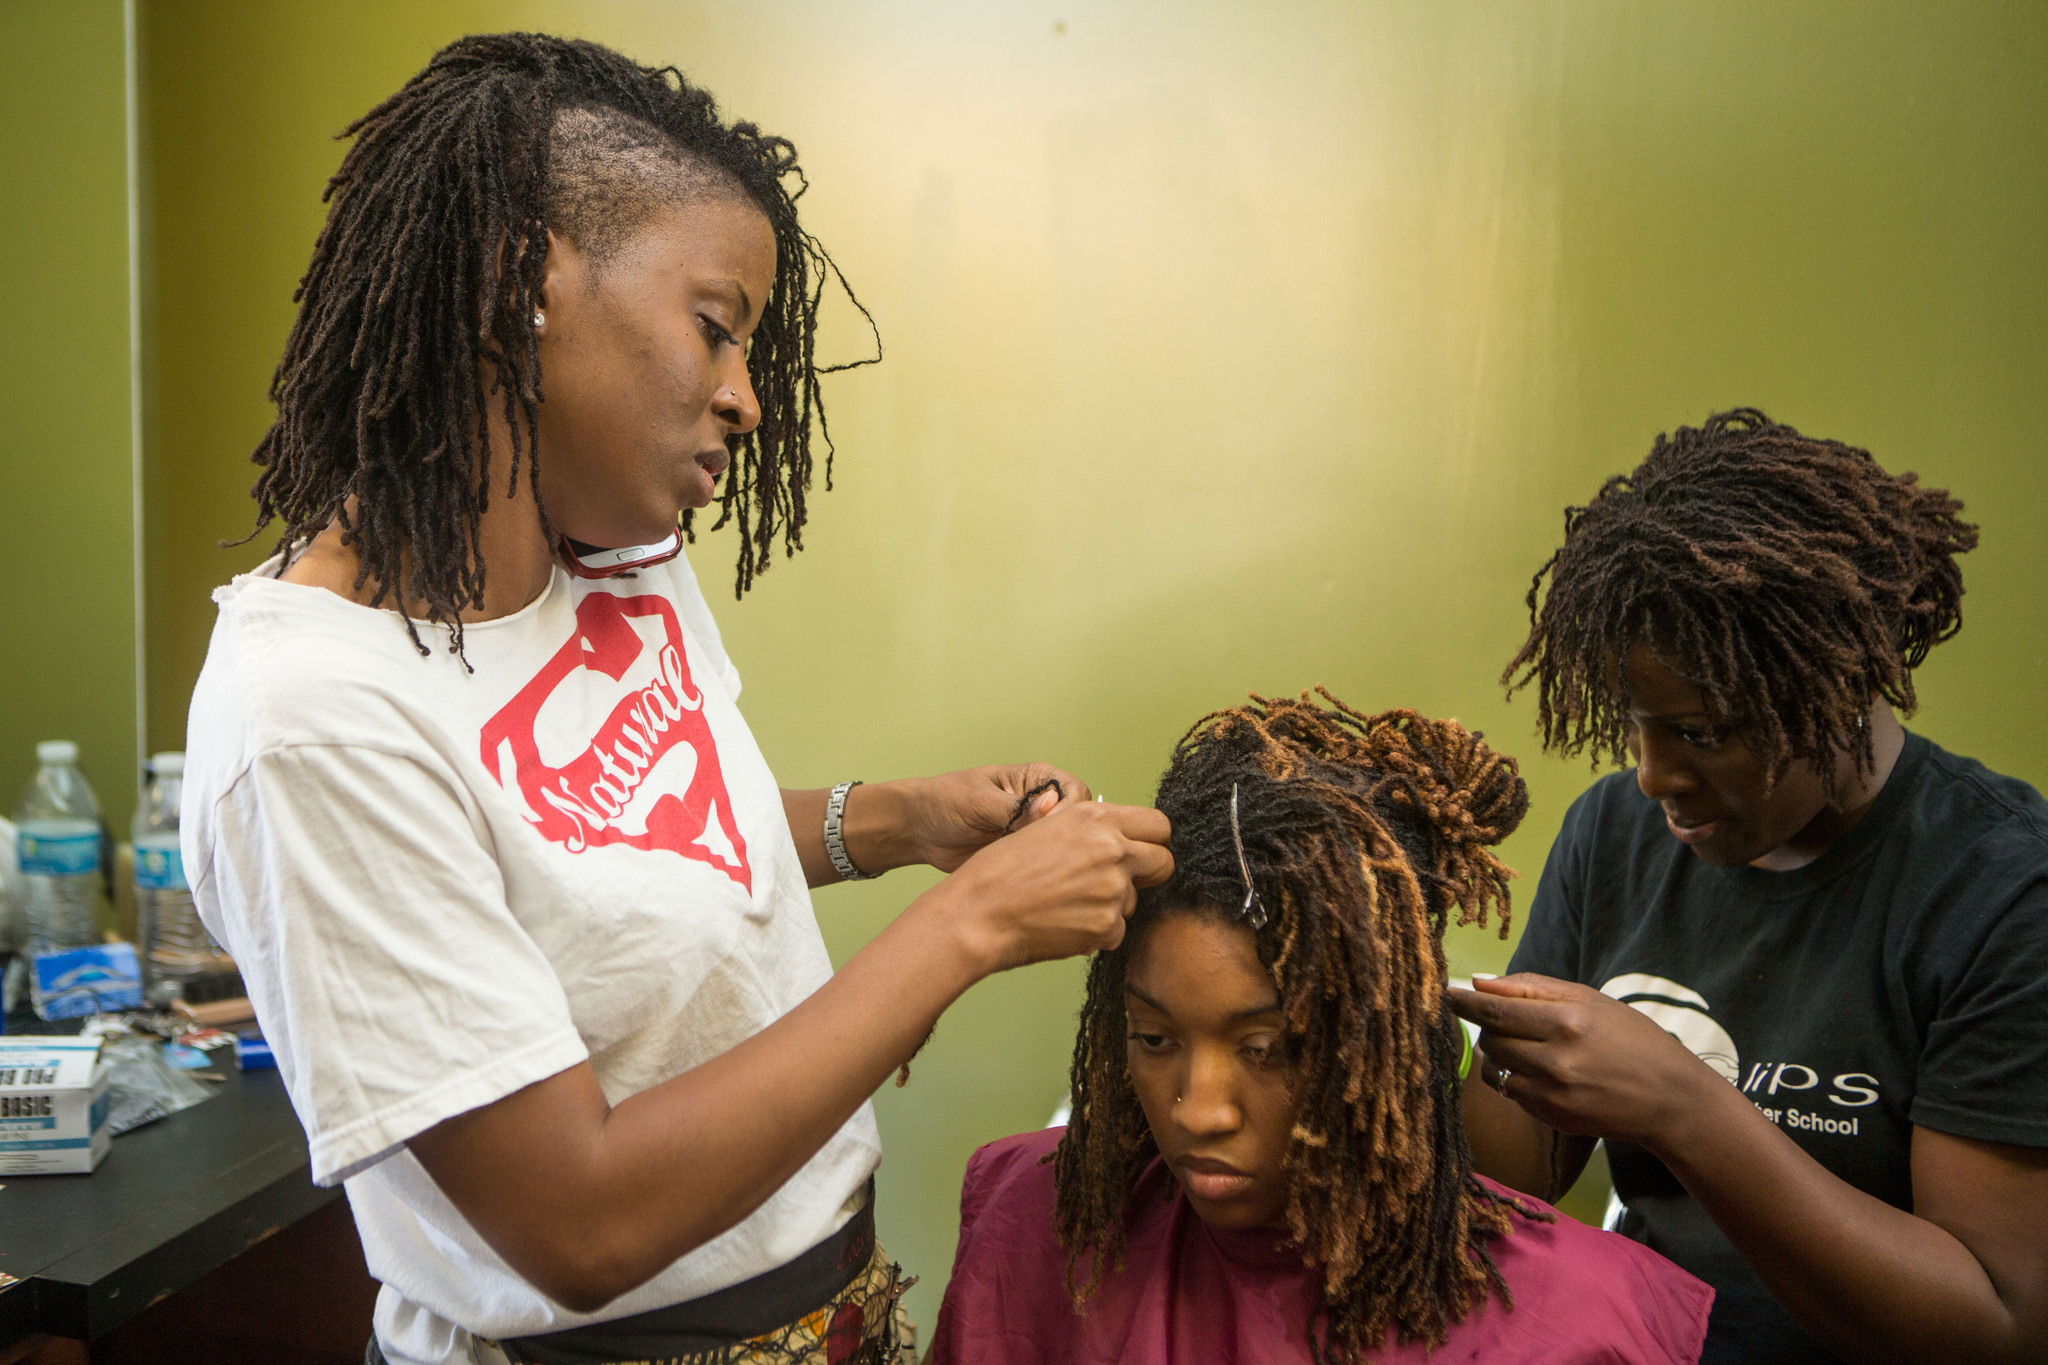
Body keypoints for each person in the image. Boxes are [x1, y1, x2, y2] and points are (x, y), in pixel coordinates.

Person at [179, 34, 1173, 1365]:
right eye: (717, 328)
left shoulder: (609, 556)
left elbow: (599, 842)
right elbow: (576, 1223)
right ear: (520, 275)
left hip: (832, 1304)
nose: (747, 398)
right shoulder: (312, 720)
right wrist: (971, 925)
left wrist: (891, 822)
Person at [1454, 409, 2048, 1363]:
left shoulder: (2004, 895)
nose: (1651, 776)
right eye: (1636, 724)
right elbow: (1508, 1178)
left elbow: (1996, 1329)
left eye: (1701, 731)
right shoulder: (1613, 834)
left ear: (1837, 682)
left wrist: (1682, 1106)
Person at [926, 692, 1713, 1364]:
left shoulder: (1583, 1321)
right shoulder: (1032, 1228)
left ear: (1382, 1041)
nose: (1199, 1110)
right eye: (1155, 1038)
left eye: (1266, 1048)